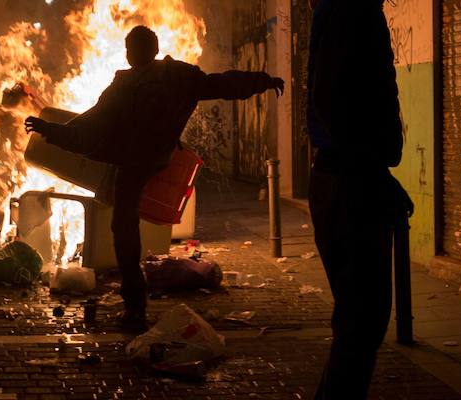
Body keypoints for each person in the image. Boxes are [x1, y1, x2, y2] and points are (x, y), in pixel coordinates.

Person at [25, 26, 283, 331]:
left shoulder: (130, 85)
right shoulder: (179, 78)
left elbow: (88, 129)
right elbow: (223, 84)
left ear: (138, 51)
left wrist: (49, 130)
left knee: (124, 230)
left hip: (132, 163)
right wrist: (262, 81)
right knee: (124, 227)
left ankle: (135, 307)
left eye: (129, 48)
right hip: (151, 159)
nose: (127, 54)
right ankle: (134, 305)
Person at [306, 0, 414, 399]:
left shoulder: (343, 4)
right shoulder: (354, 10)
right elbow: (337, 101)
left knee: (356, 317)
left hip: (343, 180)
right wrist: (374, 175)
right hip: (352, 186)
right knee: (365, 319)